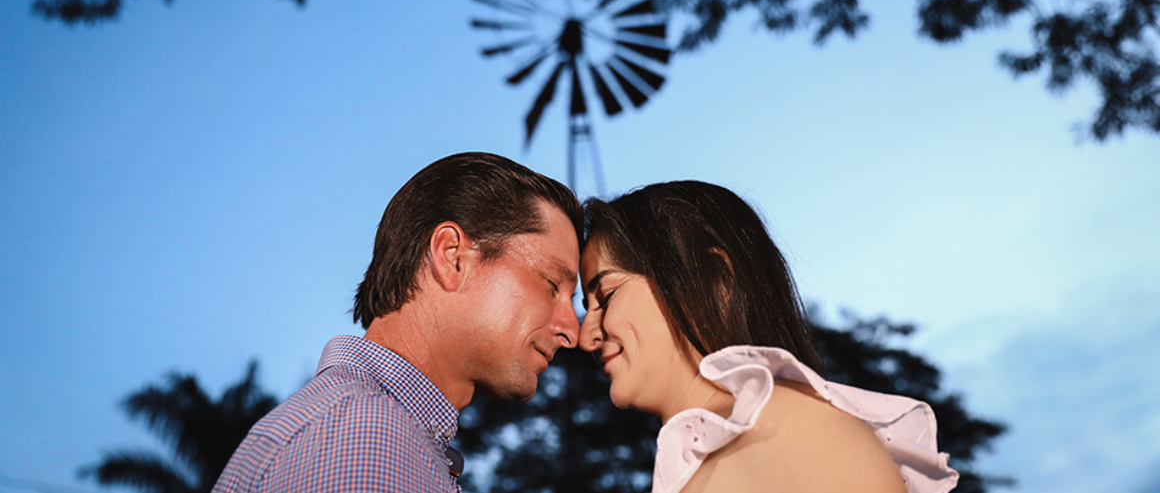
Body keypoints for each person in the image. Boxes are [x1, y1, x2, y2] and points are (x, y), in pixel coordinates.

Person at [213, 152, 582, 493]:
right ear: (452, 257)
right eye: (551, 284)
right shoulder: (366, 438)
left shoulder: (374, 431)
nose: (572, 330)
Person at [579, 181, 959, 493]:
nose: (585, 336)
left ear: (714, 277)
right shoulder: (716, 451)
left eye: (607, 296)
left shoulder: (800, 436)